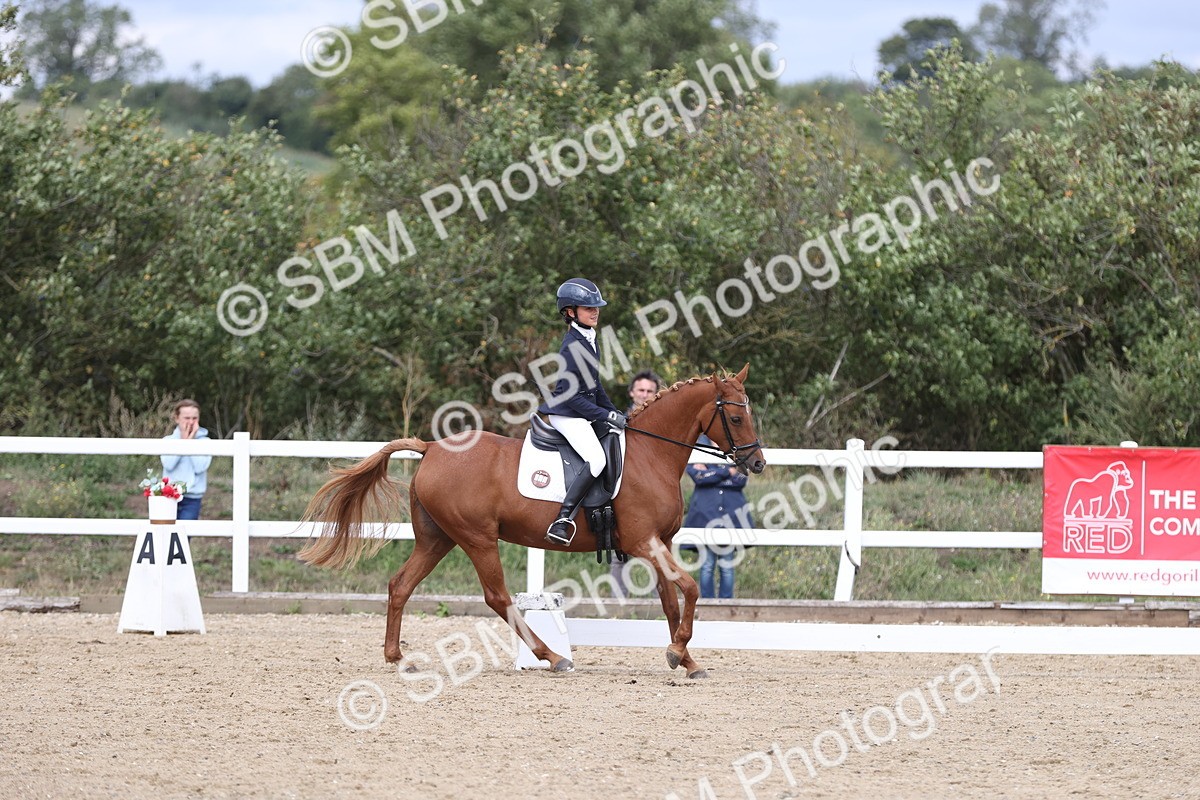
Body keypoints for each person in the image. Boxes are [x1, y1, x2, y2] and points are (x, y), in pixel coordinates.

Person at [539, 278, 626, 545]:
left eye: (596, 307)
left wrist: (614, 412)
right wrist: (603, 415)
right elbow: (573, 396)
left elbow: (594, 386)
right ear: (570, 312)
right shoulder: (571, 346)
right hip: (567, 413)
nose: (595, 311)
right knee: (596, 459)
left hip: (580, 410)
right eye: (588, 308)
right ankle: (563, 519)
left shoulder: (589, 338)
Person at [610, 369, 663, 596]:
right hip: (623, 493)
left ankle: (655, 604)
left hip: (651, 497)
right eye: (641, 390)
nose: (645, 394)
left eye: (650, 391)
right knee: (618, 551)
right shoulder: (619, 423)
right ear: (632, 393)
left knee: (655, 551)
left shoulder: (663, 427)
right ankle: (616, 604)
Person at [683, 434, 753, 599]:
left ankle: (727, 603)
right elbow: (698, 477)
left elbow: (741, 479)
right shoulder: (698, 447)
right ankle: (707, 603)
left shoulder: (734, 447)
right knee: (707, 565)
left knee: (726, 565)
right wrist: (727, 471)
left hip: (730, 517)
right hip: (706, 516)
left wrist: (711, 473)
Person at [161, 399, 212, 520]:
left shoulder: (206, 442)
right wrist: (183, 443)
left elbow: (200, 467)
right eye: (187, 418)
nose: (191, 422)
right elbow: (169, 464)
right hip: (169, 495)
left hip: (193, 497)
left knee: (184, 536)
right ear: (177, 418)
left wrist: (190, 443)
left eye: (194, 418)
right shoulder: (168, 441)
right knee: (166, 535)